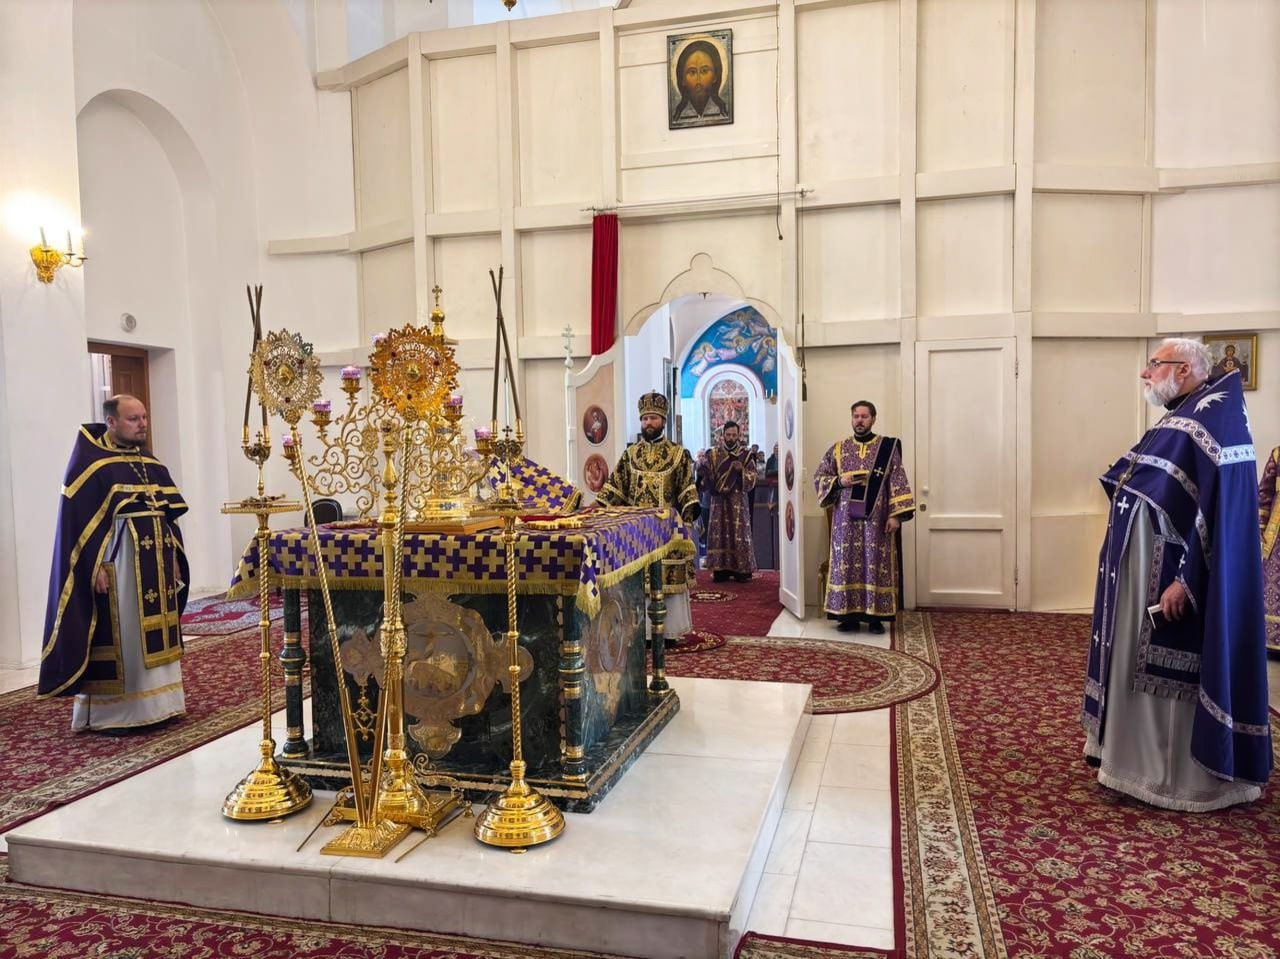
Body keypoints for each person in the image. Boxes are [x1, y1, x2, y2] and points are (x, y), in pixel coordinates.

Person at [1082, 338, 1272, 811]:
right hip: (1139, 574)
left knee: (1165, 677)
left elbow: (1219, 516)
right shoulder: (1183, 415)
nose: (1145, 373)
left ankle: (1169, 777)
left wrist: (1185, 580)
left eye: (1154, 364)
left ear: (1183, 369)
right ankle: (1128, 759)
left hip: (1168, 577)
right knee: (1130, 665)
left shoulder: (1214, 421)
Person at [37, 395, 190, 731]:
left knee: (159, 632)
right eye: (134, 419)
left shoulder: (149, 462)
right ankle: (120, 714)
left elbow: (166, 516)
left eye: (144, 417)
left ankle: (161, 705)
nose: (142, 424)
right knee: (126, 636)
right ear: (111, 422)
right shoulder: (91, 466)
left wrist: (173, 556)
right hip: (119, 566)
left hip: (156, 563)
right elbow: (78, 526)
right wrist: (92, 568)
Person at [596, 391, 700, 640]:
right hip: (636, 534)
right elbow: (615, 488)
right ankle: (639, 634)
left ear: (663, 420)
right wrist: (596, 507)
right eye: (644, 419)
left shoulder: (678, 454)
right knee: (637, 583)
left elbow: (687, 489)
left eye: (653, 418)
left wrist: (688, 519)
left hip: (667, 534)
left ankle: (669, 633)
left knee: (667, 582)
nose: (648, 423)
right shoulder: (630, 455)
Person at [813, 401, 914, 635]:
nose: (859, 420)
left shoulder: (887, 448)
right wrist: (840, 481)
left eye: (864, 416)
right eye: (856, 416)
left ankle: (875, 618)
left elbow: (897, 480)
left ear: (873, 419)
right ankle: (847, 617)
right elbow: (820, 477)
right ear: (852, 419)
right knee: (846, 564)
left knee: (875, 564)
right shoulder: (839, 448)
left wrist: (895, 516)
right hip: (845, 522)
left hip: (876, 522)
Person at [697, 420, 757, 582]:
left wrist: (741, 471)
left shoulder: (745, 455)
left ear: (739, 436)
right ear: (723, 435)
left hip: (738, 501)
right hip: (718, 501)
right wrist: (702, 471)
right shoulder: (713, 454)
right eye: (728, 434)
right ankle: (720, 570)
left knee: (739, 533)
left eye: (734, 435)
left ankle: (741, 570)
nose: (731, 438)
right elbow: (706, 476)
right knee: (719, 532)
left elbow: (752, 477)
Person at [670, 39, 729, 125]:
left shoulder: (723, 113)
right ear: (682, 79)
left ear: (715, 76)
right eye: (692, 72)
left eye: (704, 71)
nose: (698, 81)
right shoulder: (678, 117)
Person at [1261, 445, 1280, 651]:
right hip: (1277, 535)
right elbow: (1264, 493)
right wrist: (1260, 526)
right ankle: (1272, 640)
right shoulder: (1278, 454)